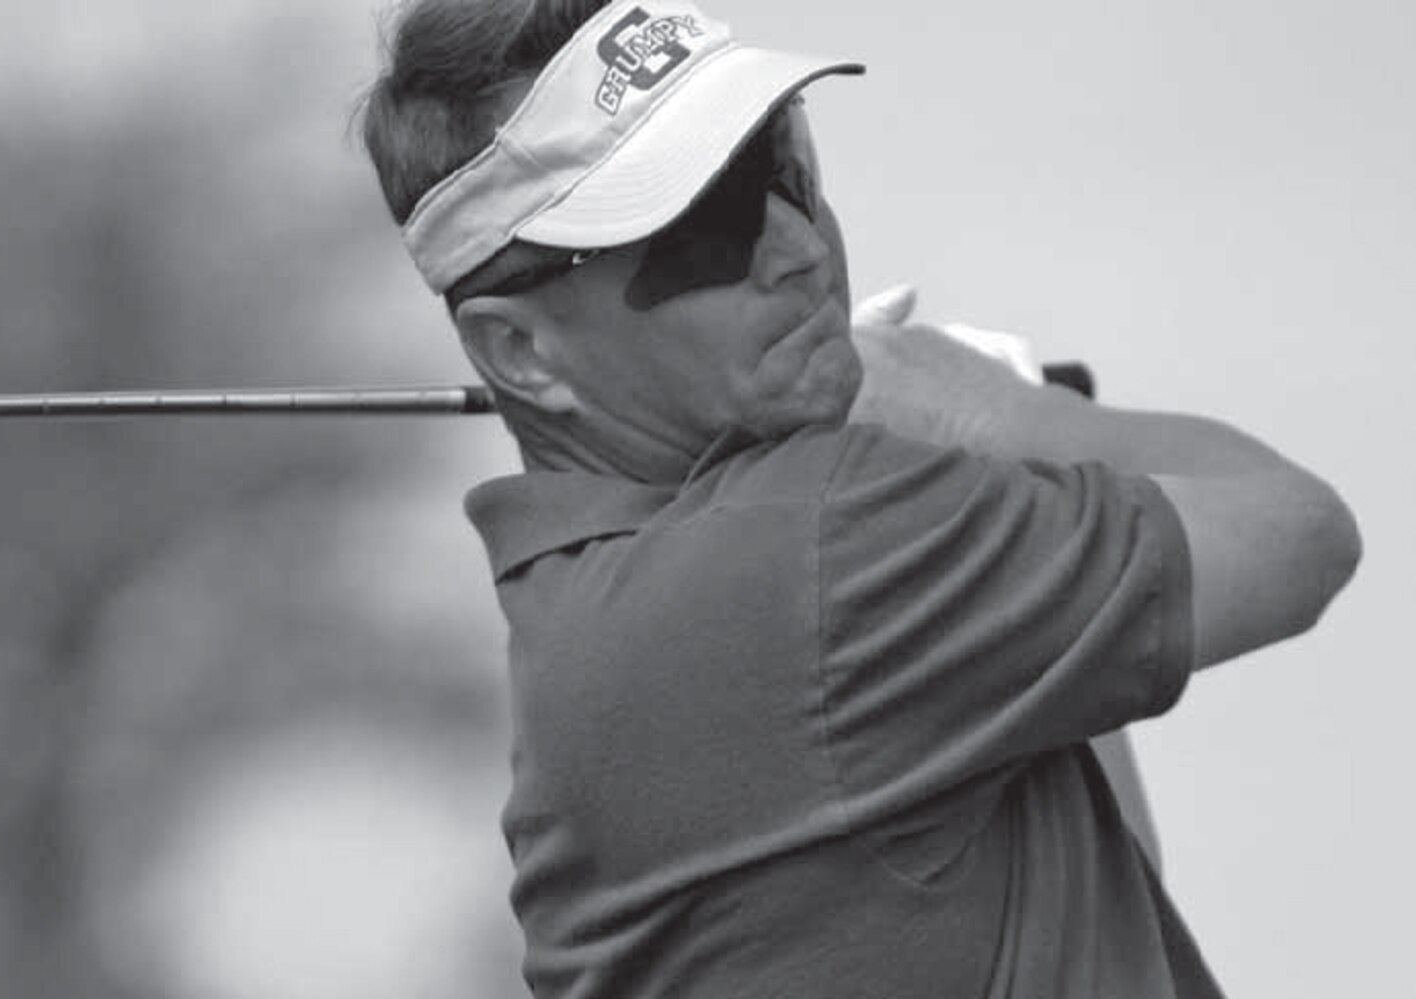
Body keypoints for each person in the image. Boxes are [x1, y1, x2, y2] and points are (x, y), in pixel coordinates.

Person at [357, 1, 1363, 996]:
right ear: (521, 353)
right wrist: (995, 419)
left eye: (781, 169)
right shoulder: (816, 544)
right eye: (700, 228)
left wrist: (983, 483)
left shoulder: (580, 612)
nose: (795, 249)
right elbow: (1292, 527)